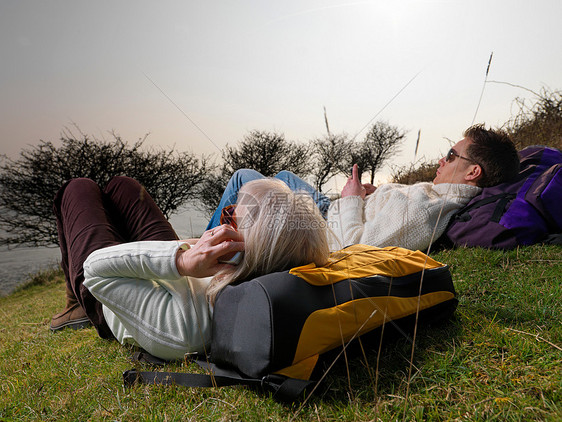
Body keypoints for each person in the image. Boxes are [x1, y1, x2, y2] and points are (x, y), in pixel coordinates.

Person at [50, 176, 329, 360]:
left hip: (112, 294)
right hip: (177, 272)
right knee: (124, 186)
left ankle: (76, 303)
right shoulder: (251, 269)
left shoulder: (185, 328)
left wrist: (181, 261)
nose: (221, 223)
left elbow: (94, 267)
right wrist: (189, 254)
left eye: (230, 216)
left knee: (78, 188)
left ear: (247, 250)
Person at [208, 124, 520, 252]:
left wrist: (350, 200)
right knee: (281, 176)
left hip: (327, 222)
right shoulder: (437, 194)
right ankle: (217, 243)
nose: (442, 159)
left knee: (244, 179)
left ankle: (205, 250)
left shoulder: (431, 208)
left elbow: (353, 247)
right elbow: (392, 212)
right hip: (339, 211)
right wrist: (376, 195)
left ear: (472, 172)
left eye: (452, 155)